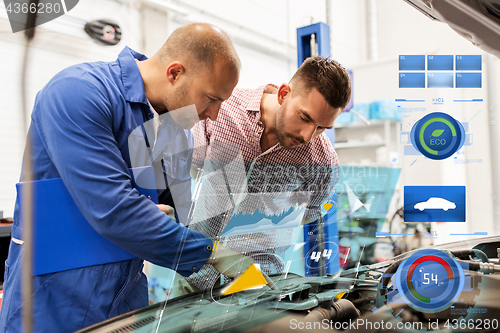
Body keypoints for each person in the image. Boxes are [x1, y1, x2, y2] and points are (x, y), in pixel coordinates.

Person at [0, 23, 249, 333]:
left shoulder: (179, 135)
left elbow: (178, 219)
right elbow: (115, 211)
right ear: (175, 73)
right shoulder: (79, 93)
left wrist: (233, 272)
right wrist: (211, 252)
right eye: (211, 98)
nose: (213, 114)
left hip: (125, 304)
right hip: (53, 304)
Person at [173, 56, 351, 294]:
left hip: (259, 282)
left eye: (321, 128)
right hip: (195, 268)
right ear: (283, 94)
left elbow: (307, 215)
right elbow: (193, 170)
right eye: (305, 118)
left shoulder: (322, 161)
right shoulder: (222, 110)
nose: (308, 135)